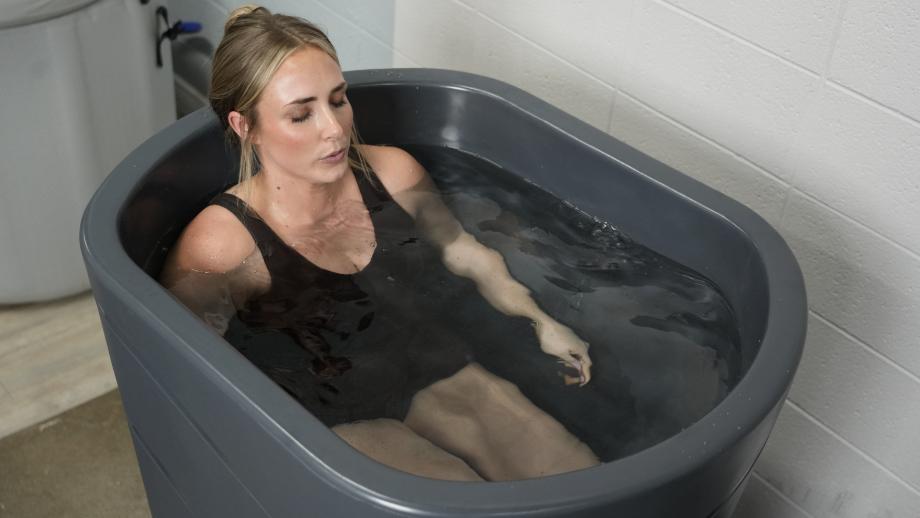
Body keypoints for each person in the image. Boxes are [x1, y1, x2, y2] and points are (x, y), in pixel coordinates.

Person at [159, 4, 598, 482]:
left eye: (338, 99)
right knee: (456, 500)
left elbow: (462, 249)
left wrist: (540, 321)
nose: (334, 128)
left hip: (419, 356)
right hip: (322, 405)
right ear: (247, 128)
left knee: (575, 475)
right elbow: (192, 368)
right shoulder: (222, 246)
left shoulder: (392, 173)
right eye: (301, 114)